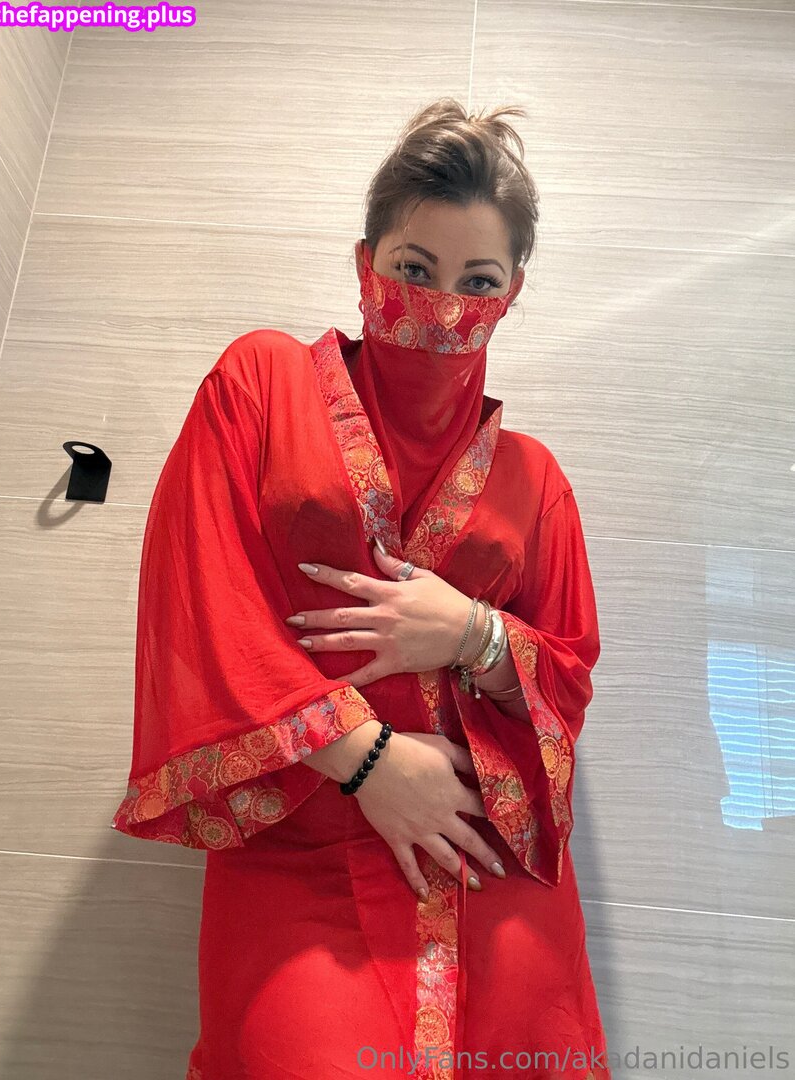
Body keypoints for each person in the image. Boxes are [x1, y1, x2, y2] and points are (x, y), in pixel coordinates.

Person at [110, 98, 611, 1080]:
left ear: (511, 294)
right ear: (364, 261)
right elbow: (201, 593)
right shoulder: (262, 385)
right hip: (297, 835)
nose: (443, 307)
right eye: (414, 271)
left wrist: (472, 634)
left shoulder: (535, 477)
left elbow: (568, 682)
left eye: (478, 282)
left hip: (481, 855)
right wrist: (367, 758)